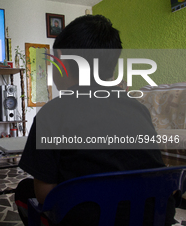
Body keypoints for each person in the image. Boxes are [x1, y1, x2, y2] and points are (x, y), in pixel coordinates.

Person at [15, 15, 176, 225]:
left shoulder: (51, 114)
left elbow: (46, 195)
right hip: (155, 217)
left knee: (24, 190)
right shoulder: (138, 108)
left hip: (89, 219)